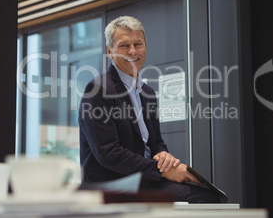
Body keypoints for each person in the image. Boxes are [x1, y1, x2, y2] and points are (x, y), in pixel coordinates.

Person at [78, 16, 220, 203]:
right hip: (112, 185)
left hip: (144, 180)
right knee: (202, 199)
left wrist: (163, 156)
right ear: (109, 52)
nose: (132, 51)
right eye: (124, 46)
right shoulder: (98, 90)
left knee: (209, 195)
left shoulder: (147, 92)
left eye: (138, 44)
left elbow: (156, 143)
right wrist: (163, 170)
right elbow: (108, 154)